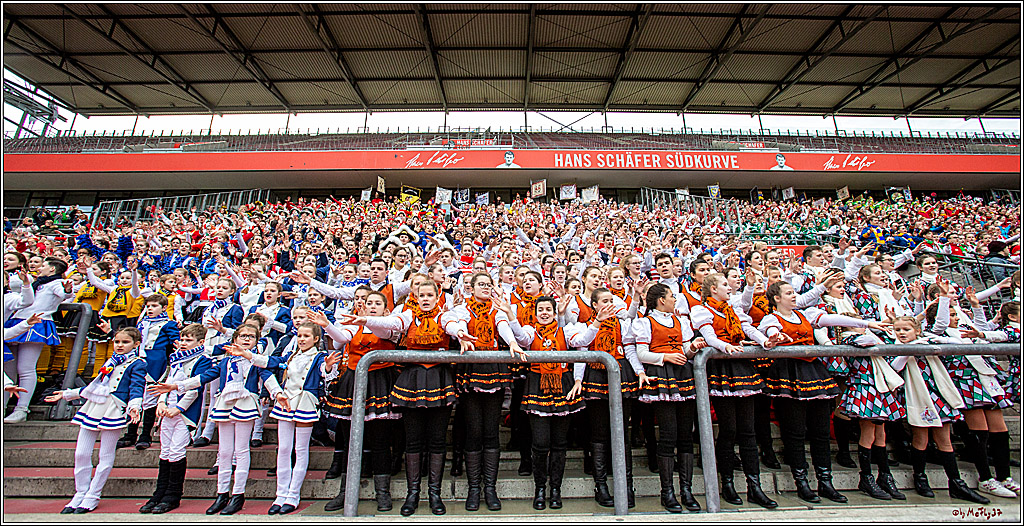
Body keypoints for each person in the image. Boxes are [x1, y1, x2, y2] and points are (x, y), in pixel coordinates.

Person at [758, 281, 889, 504]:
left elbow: (835, 319)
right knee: (795, 431)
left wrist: (869, 323)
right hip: (789, 373)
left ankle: (825, 482)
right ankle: (802, 483)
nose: (793, 296)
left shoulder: (806, 315)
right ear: (776, 298)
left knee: (820, 430)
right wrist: (775, 336)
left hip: (813, 371)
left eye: (794, 292)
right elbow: (770, 331)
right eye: (788, 293)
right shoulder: (771, 319)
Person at [691, 273, 784, 509]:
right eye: (724, 284)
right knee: (729, 429)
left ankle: (755, 486)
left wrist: (765, 341)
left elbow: (748, 329)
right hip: (722, 367)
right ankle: (728, 483)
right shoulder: (702, 310)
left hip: (740, 365)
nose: (729, 287)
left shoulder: (732, 309)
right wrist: (727, 347)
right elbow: (709, 336)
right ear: (712, 289)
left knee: (747, 429)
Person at [232, 322, 341, 514]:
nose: (302, 339)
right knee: (283, 449)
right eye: (299, 335)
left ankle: (293, 495)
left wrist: (329, 366)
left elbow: (326, 372)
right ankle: (280, 494)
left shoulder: (319, 357)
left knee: (300, 450)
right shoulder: (291, 356)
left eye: (306, 336)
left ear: (316, 339)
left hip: (305, 402)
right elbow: (270, 362)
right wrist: (248, 355)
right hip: (286, 402)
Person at [510, 295, 602, 510]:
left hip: (562, 386)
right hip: (537, 385)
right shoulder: (530, 331)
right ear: (535, 313)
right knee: (540, 443)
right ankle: (540, 488)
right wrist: (510, 314)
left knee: (559, 443)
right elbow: (521, 338)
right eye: (540, 309)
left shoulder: (566, 331)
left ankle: (555, 489)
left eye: (548, 309)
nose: (544, 313)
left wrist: (597, 321)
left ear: (554, 312)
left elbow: (583, 341)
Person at [447, 272, 527, 512]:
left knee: (491, 430)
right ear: (471, 288)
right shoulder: (463, 308)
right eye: (480, 284)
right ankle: (473, 488)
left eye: (488, 284)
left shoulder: (498, 309)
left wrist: (512, 342)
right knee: (474, 430)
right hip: (472, 368)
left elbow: (502, 325)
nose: (484, 288)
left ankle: (490, 488)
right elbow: (459, 323)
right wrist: (461, 334)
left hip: (494, 367)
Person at [44, 327, 146, 514]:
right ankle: (80, 492)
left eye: (125, 342)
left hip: (113, 408)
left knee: (105, 456)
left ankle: (93, 495)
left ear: (136, 344)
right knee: (81, 454)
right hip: (94, 406)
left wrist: (134, 407)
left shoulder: (137, 363)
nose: (120, 345)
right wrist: (67, 394)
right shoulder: (111, 360)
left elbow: (137, 387)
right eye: (117, 342)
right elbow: (95, 386)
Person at [633, 283, 706, 512]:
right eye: (672, 296)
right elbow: (642, 352)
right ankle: (668, 492)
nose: (675, 299)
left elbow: (685, 349)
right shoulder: (645, 322)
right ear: (661, 300)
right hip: (662, 376)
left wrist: (693, 347)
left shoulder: (680, 321)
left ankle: (686, 489)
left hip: (681, 375)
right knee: (668, 434)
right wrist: (665, 357)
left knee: (685, 434)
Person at [140, 323, 213, 514]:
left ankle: (173, 495)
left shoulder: (202, 360)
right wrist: (162, 402)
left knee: (176, 451)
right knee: (164, 452)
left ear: (201, 342)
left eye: (189, 340)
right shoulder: (176, 359)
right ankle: (159, 493)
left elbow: (195, 389)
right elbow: (166, 383)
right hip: (168, 410)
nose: (184, 343)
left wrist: (179, 408)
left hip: (185, 413)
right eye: (182, 339)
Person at [4, 257, 73, 423]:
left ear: (52, 269)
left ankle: (22, 409)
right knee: (8, 370)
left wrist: (68, 290)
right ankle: (5, 406)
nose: (38, 267)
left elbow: (65, 294)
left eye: (43, 265)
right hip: (18, 321)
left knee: (26, 368)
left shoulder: (56, 283)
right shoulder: (37, 282)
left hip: (36, 323)